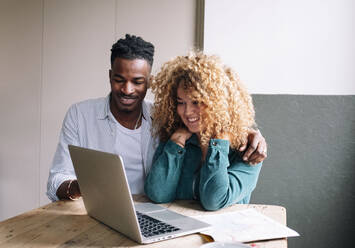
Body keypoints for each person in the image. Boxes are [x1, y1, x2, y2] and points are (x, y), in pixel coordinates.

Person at [47, 34, 267, 202]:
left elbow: (214, 198)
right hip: (108, 213)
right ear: (109, 76)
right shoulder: (81, 115)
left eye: (137, 81)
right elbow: (56, 180)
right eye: (119, 79)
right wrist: (81, 187)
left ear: (149, 82)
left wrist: (242, 133)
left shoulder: (163, 118)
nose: (127, 89)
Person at [145, 52, 262, 210]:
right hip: (183, 230)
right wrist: (177, 142)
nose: (187, 112)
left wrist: (219, 142)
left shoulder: (248, 149)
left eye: (196, 102)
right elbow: (158, 194)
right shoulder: (176, 140)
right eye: (181, 102)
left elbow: (214, 200)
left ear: (218, 103)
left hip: (225, 232)